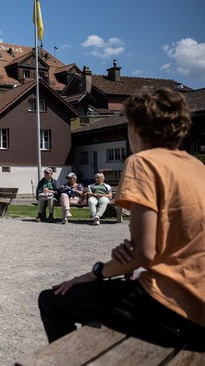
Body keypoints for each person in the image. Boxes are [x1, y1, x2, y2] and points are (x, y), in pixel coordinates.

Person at [38, 87, 205, 350]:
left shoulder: (143, 162)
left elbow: (144, 253)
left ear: (136, 127)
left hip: (173, 309)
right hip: (200, 307)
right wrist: (137, 262)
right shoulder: (197, 167)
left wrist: (95, 273)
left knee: (53, 300)